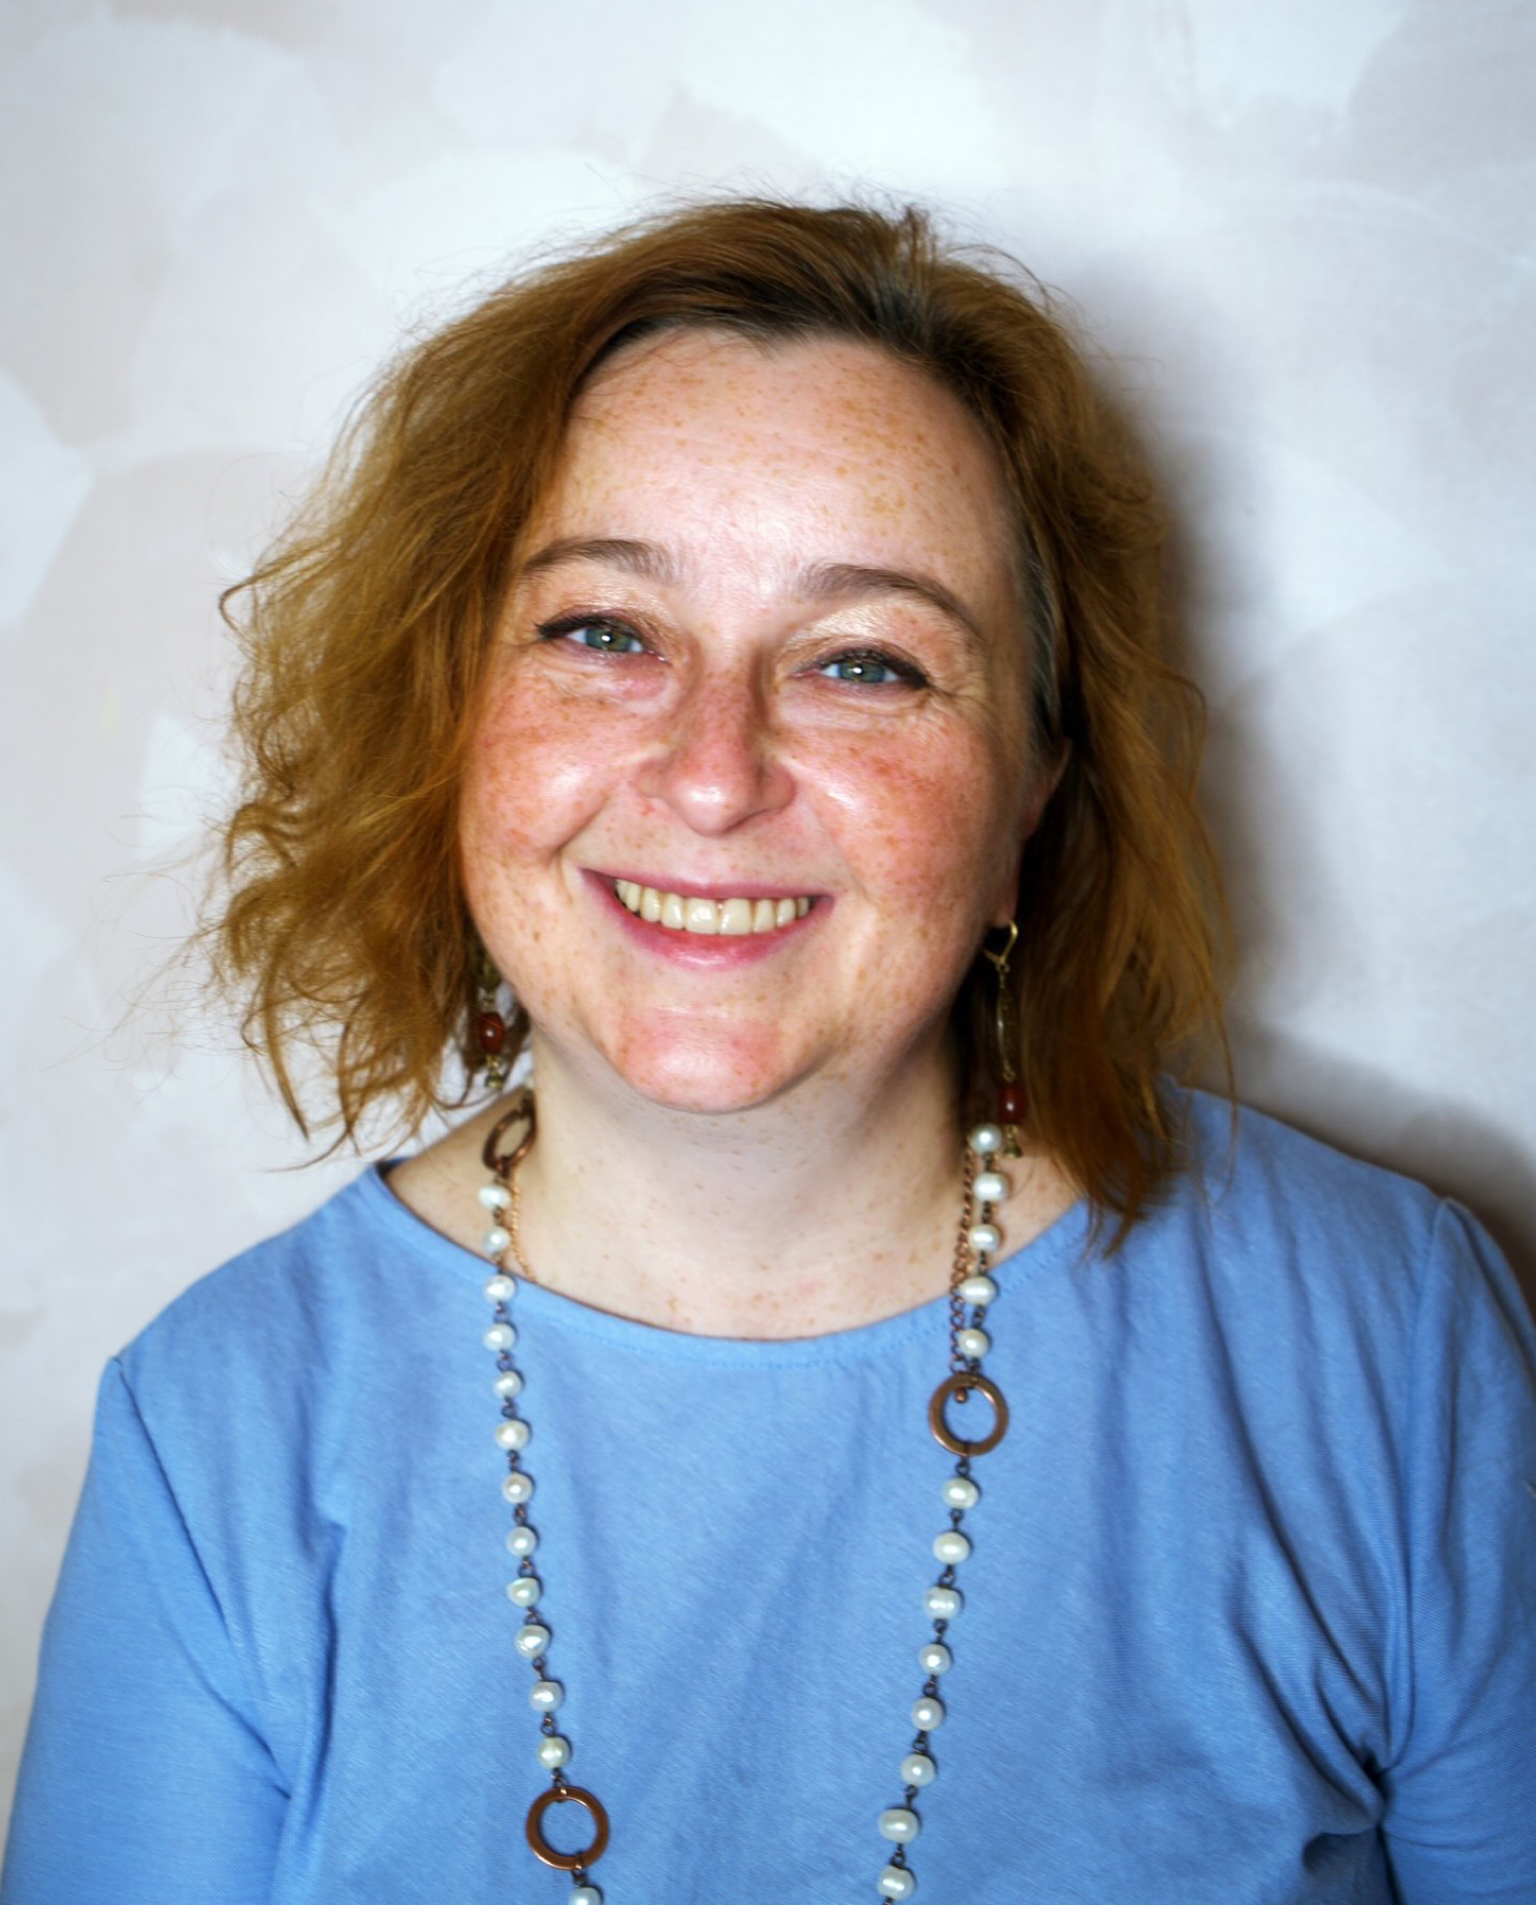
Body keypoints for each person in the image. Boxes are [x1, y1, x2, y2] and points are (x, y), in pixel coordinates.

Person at [3, 198, 1533, 1904]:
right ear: (451, 723)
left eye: (867, 661)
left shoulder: (1390, 1342)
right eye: (603, 632)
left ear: (1034, 791)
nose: (715, 773)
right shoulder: (215, 1431)